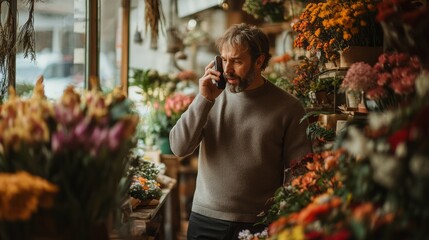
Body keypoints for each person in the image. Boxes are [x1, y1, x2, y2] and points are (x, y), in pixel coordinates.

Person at [169, 23, 312, 239]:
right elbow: (179, 147)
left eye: (237, 61)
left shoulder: (288, 107)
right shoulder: (210, 97)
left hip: (259, 223)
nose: (227, 69)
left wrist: (284, 216)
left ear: (259, 61)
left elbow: (300, 171)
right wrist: (203, 99)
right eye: (224, 60)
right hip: (206, 220)